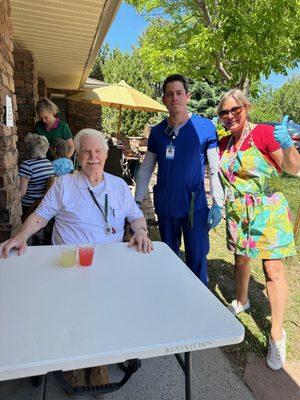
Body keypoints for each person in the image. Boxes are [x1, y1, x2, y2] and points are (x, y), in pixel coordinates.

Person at [1, 128, 153, 394]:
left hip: (108, 263)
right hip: (69, 264)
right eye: (86, 152)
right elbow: (41, 215)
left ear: (106, 155)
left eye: (98, 152)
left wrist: (140, 231)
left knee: (105, 312)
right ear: (77, 156)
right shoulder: (64, 184)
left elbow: (136, 217)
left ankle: (99, 361)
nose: (92, 157)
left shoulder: (118, 186)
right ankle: (70, 361)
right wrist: (21, 236)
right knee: (68, 314)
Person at [217, 89, 300, 371]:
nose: (230, 116)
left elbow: (294, 168)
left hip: (268, 212)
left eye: (235, 110)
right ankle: (242, 300)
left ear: (246, 108)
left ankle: (277, 334)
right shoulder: (223, 144)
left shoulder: (264, 133)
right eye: (224, 113)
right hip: (239, 213)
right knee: (240, 260)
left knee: (272, 271)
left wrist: (288, 145)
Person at [135, 74, 224, 285]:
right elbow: (146, 169)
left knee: (197, 257)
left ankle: (200, 300)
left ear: (188, 96)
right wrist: (137, 200)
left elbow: (215, 169)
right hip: (167, 204)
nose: (175, 98)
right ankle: (172, 295)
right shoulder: (157, 133)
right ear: (164, 99)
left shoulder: (205, 128)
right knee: (169, 256)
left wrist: (218, 203)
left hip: (195, 206)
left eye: (179, 93)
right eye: (169, 94)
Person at [19, 133, 54, 246]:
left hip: (28, 206)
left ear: (29, 149)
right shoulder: (49, 163)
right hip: (42, 205)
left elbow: (22, 193)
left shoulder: (27, 165)